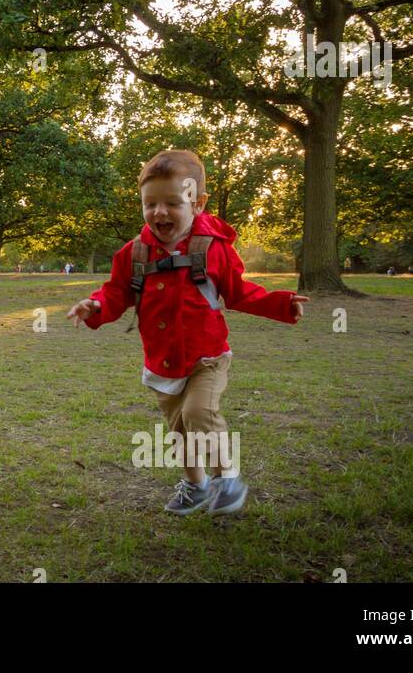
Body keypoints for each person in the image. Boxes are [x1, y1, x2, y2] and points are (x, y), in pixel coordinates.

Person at [67, 150, 308, 517]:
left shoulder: (213, 250)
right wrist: (96, 306)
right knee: (180, 432)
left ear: (198, 203)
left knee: (199, 412)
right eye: (150, 204)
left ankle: (227, 478)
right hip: (162, 362)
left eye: (172, 203)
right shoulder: (134, 254)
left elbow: (240, 293)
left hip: (208, 357)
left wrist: (281, 303)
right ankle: (195, 486)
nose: (159, 212)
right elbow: (117, 293)